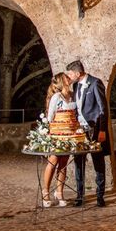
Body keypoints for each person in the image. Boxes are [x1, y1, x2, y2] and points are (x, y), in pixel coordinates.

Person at [65, 60, 110, 208]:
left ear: (78, 73)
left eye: (70, 74)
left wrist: (102, 130)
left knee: (98, 162)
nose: (69, 77)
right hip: (80, 130)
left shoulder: (95, 83)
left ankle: (100, 196)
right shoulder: (76, 85)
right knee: (79, 163)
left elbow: (103, 109)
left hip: (95, 129)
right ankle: (80, 196)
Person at [42, 73, 74, 208]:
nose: (69, 78)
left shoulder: (72, 95)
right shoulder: (56, 97)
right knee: (53, 161)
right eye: (67, 77)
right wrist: (52, 134)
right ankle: (45, 192)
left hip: (69, 133)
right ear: (62, 81)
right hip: (57, 133)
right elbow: (50, 117)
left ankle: (59, 192)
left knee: (64, 162)